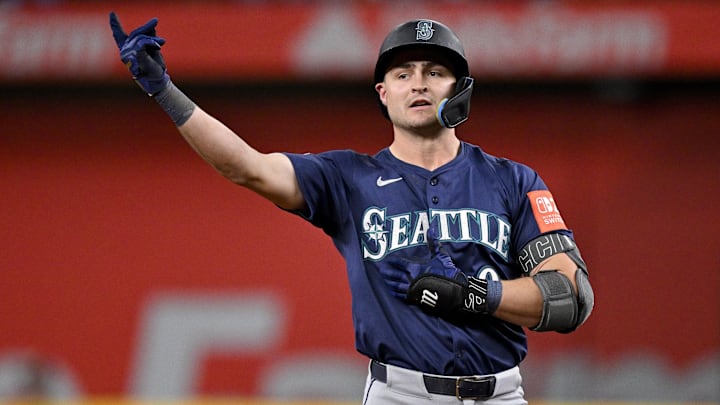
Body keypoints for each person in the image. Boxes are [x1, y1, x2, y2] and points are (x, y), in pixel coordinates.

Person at [109, 14, 594, 405]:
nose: (418, 83)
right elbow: (248, 168)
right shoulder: (348, 178)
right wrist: (164, 92)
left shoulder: (513, 180)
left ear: (460, 89)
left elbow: (570, 298)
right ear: (384, 94)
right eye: (402, 74)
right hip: (399, 395)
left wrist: (475, 295)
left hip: (500, 394)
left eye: (435, 72)